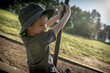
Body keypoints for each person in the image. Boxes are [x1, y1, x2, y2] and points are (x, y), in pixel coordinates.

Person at [18, 3, 71, 73]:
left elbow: (43, 24)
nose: (45, 27)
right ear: (28, 26)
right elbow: (59, 26)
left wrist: (58, 16)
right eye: (41, 25)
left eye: (45, 24)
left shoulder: (27, 36)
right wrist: (68, 14)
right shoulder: (40, 40)